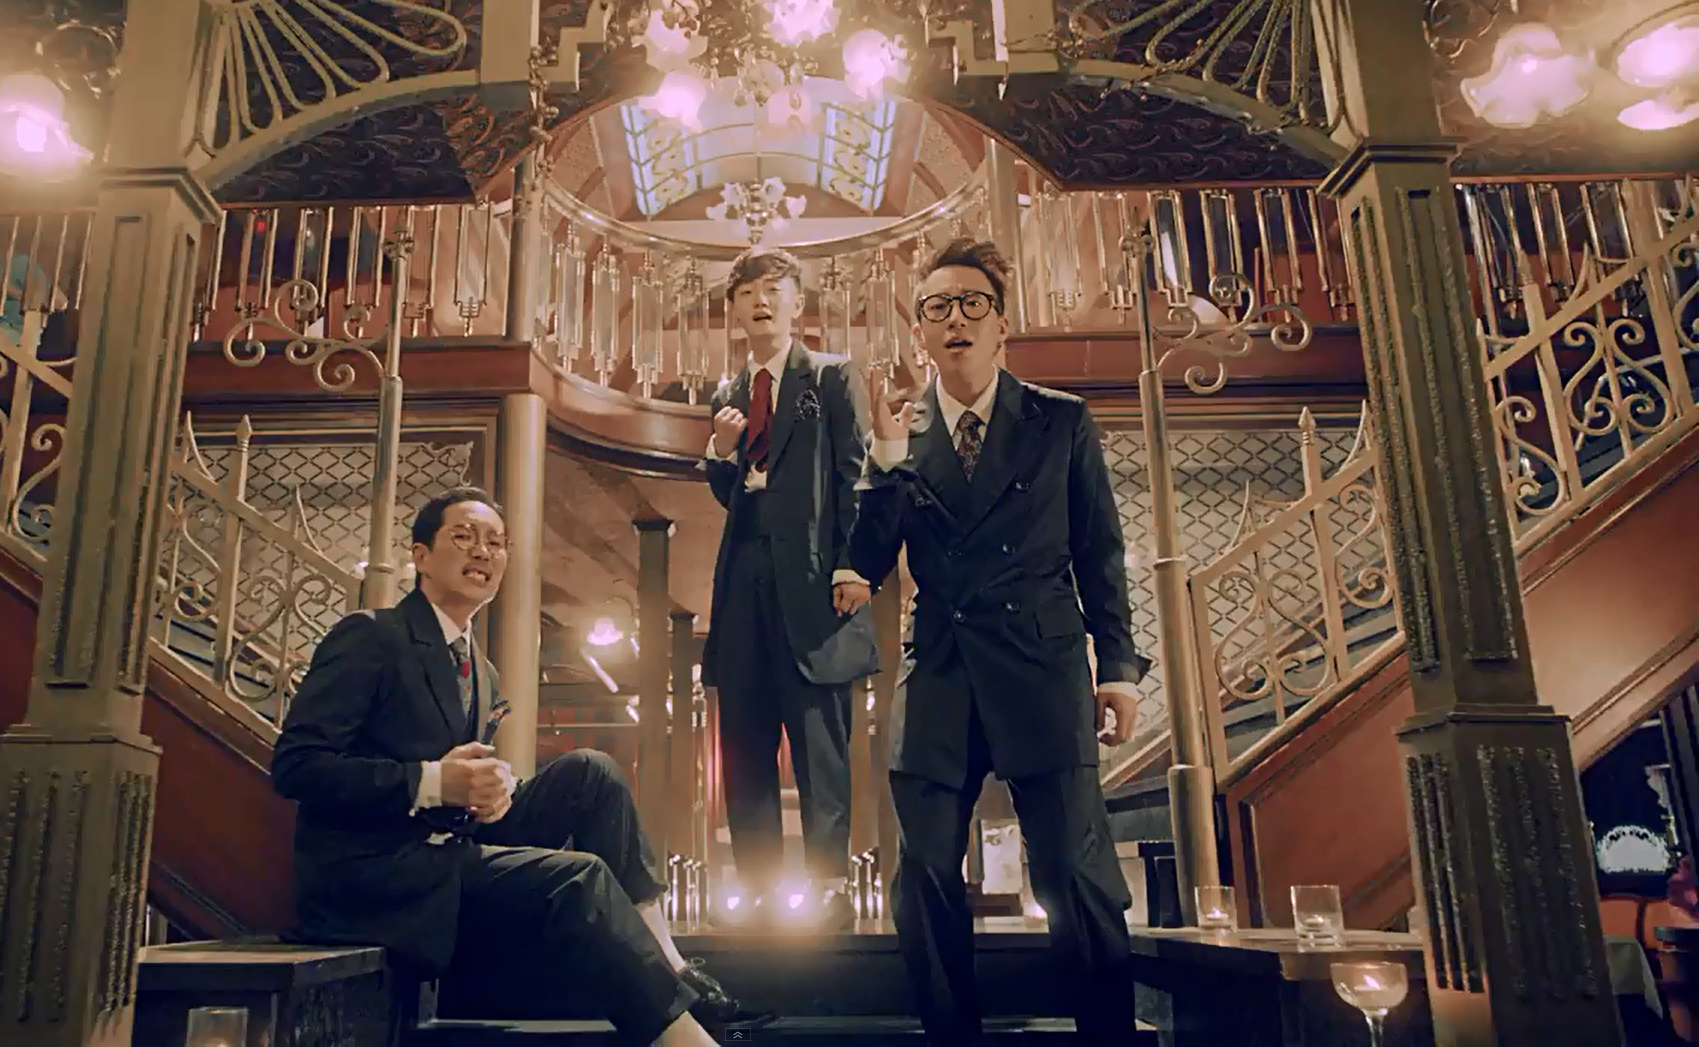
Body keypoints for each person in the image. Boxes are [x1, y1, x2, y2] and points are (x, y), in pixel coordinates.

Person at [272, 487, 752, 1045]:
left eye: (496, 542)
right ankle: (685, 1038)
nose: (483, 551)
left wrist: (492, 792)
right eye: (463, 537)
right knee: (579, 876)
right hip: (375, 872)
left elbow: (460, 786)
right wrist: (431, 781)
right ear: (421, 556)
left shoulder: (480, 668)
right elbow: (298, 765)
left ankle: (668, 960)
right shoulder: (373, 635)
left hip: (447, 847)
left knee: (592, 772)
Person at [849, 239, 1149, 1043]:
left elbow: (1099, 551)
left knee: (1074, 870)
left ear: (1001, 323)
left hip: (1041, 664)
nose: (954, 319)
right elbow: (867, 559)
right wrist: (884, 456)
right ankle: (950, 1033)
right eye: (936, 307)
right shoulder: (899, 432)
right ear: (920, 331)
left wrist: (1118, 669)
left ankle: (1106, 1033)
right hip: (939, 667)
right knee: (922, 872)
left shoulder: (1060, 418)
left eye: (971, 303)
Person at [701, 248, 880, 929]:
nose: (760, 301)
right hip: (743, 581)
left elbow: (856, 473)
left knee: (820, 746)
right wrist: (719, 454)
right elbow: (734, 496)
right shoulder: (727, 394)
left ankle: (828, 888)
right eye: (747, 292)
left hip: (815, 583)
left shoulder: (830, 376)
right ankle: (755, 890)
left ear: (796, 304)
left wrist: (853, 564)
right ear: (733, 309)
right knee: (743, 741)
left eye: (773, 290)